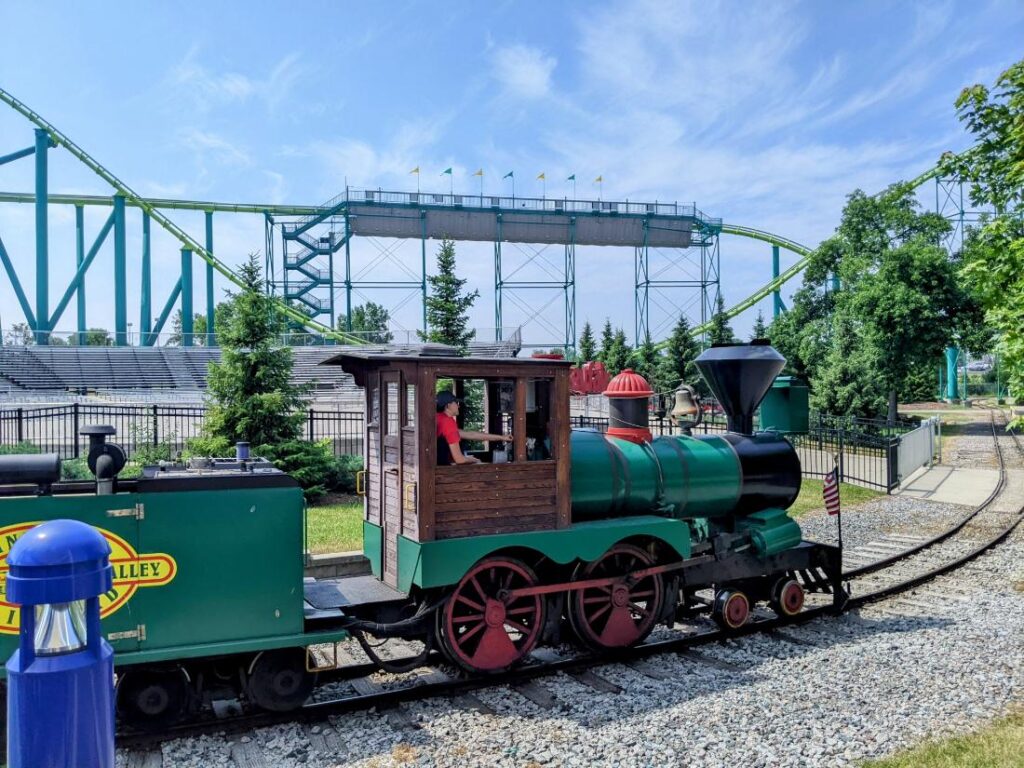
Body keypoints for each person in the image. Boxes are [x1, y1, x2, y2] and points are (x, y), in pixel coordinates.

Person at [436, 391, 513, 465]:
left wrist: (502, 437)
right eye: (456, 403)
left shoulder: (438, 418)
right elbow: (459, 459)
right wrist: (474, 460)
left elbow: (471, 434)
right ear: (448, 405)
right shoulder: (448, 422)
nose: (458, 406)